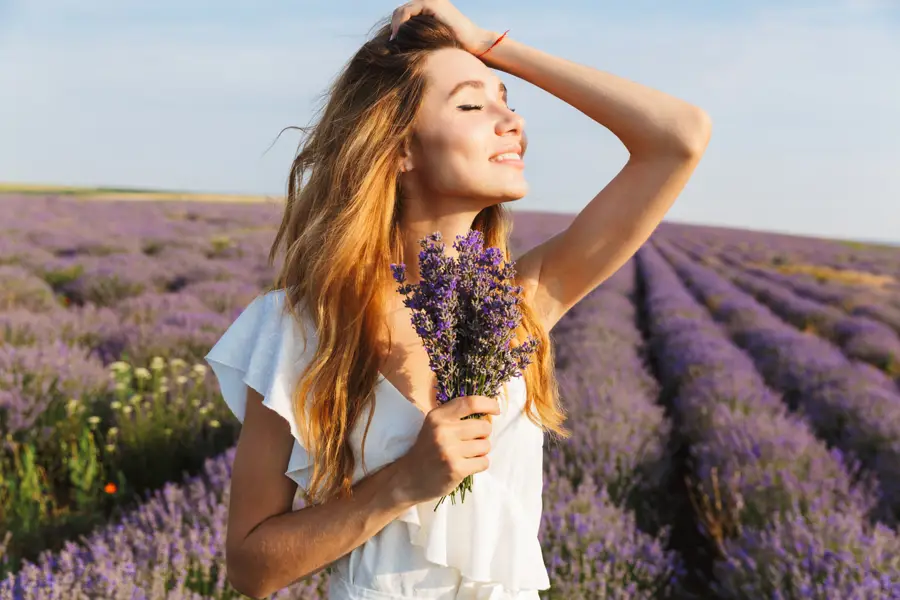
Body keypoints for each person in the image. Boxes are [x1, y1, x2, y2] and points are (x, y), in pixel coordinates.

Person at [204, 1, 710, 598]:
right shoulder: (302, 328)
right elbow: (251, 568)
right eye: (473, 104)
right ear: (399, 150)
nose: (511, 121)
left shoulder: (519, 304)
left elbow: (678, 138)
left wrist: (490, 44)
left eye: (509, 102)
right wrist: (403, 483)